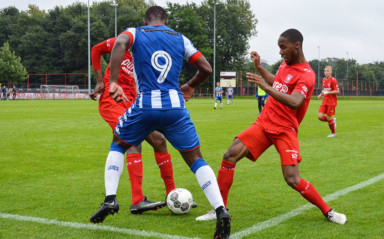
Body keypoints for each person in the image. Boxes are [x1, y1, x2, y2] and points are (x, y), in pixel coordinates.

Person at [92, 6, 230, 238]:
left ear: (146, 20)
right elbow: (206, 68)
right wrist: (190, 85)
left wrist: (112, 81)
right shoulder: (180, 38)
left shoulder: (136, 32)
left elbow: (118, 44)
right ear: (166, 20)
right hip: (176, 107)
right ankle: (221, 210)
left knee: (119, 142)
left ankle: (110, 199)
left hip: (145, 106)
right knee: (196, 159)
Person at [196, 29, 346, 225]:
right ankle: (220, 209)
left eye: (283, 47)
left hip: (285, 129)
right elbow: (278, 83)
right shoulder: (285, 65)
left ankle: (328, 211)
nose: (280, 52)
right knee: (230, 155)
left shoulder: (307, 75)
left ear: (297, 46)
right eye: (279, 48)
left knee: (292, 179)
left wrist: (266, 88)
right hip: (265, 122)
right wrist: (259, 68)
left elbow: (294, 101)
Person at [89, 36, 179, 221]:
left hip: (133, 102)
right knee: (132, 140)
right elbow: (96, 50)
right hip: (112, 100)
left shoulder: (152, 54)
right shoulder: (123, 41)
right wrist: (99, 80)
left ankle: (172, 196)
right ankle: (136, 200)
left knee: (159, 140)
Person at [317, 66, 339, 137]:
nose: (326, 72)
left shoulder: (333, 80)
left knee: (329, 117)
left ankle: (333, 133)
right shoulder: (323, 80)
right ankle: (333, 121)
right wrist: (321, 94)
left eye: (328, 71)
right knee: (320, 116)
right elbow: (325, 90)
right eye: (325, 71)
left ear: (331, 72)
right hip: (325, 101)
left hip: (331, 102)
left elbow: (337, 91)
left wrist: (328, 93)